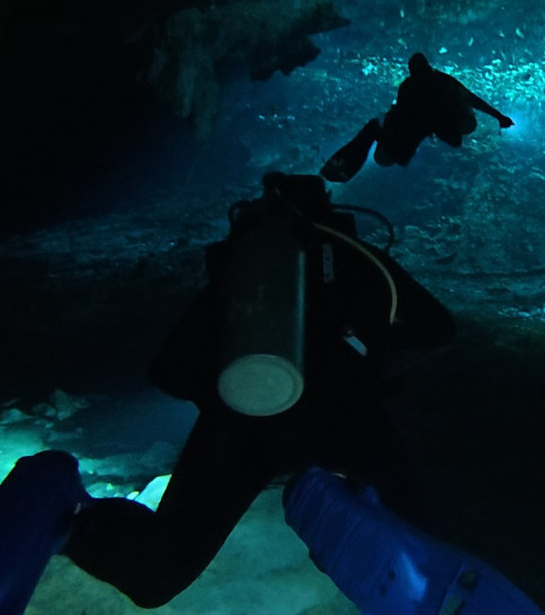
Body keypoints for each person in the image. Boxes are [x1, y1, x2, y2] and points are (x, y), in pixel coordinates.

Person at [60, 173, 457, 608]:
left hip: (242, 431)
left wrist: (224, 392)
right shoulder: (353, 256)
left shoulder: (245, 269)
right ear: (326, 211)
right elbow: (437, 328)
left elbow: (168, 372)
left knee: (158, 574)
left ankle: (69, 519)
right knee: (440, 565)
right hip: (346, 417)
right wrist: (375, 348)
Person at [321, 52, 514, 182]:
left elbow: (469, 100)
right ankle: (342, 166)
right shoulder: (439, 82)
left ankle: (341, 166)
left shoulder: (414, 85)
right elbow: (471, 99)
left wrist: (498, 116)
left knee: (379, 145)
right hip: (416, 125)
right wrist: (498, 116)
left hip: (413, 126)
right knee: (381, 150)